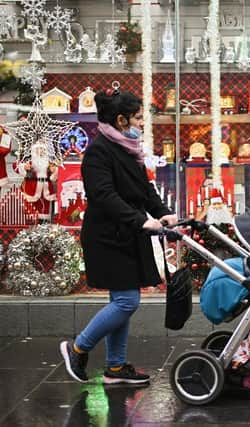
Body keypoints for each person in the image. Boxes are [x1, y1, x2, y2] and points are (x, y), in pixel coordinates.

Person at [59, 85, 177, 384]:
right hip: (107, 237)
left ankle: (115, 366)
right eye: (138, 118)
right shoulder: (99, 152)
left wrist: (163, 212)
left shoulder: (126, 147)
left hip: (126, 233)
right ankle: (77, 348)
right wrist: (141, 220)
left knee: (123, 300)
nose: (142, 123)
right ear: (122, 120)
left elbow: (145, 189)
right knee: (126, 301)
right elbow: (104, 196)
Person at [14, 141, 58, 221]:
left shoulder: (50, 162)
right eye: (38, 149)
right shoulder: (28, 160)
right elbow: (15, 166)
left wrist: (55, 170)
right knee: (31, 211)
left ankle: (44, 224)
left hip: (46, 189)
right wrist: (24, 167)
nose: (40, 151)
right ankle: (30, 225)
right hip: (31, 188)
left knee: (45, 211)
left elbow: (56, 174)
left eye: (42, 149)